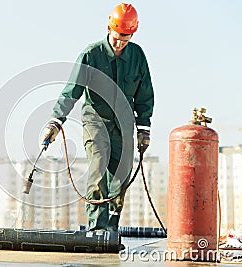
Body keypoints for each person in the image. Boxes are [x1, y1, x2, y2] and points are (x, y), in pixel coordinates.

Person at [42, 3, 154, 231]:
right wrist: (55, 122)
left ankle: (112, 227)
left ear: (132, 33)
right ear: (108, 28)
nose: (119, 42)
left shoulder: (137, 57)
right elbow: (71, 91)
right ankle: (97, 227)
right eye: (116, 37)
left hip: (123, 123)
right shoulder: (91, 55)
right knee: (98, 168)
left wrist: (144, 129)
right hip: (96, 120)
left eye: (125, 38)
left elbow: (145, 96)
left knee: (121, 175)